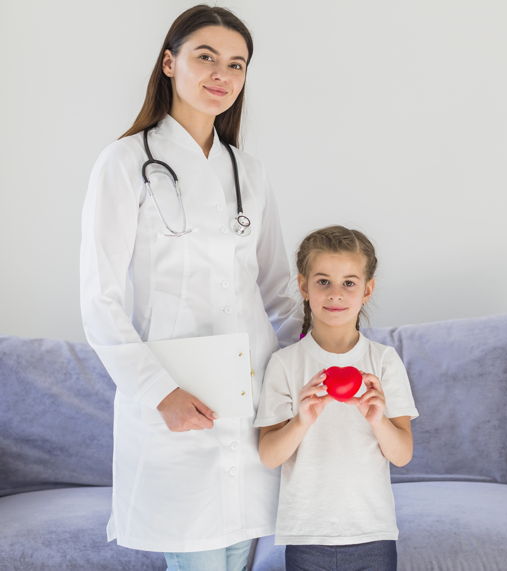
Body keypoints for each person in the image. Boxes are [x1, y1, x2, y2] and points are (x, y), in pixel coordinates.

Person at [79, 5, 301, 569]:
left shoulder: (248, 172)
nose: (221, 74)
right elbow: (98, 297)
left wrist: (306, 370)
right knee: (196, 554)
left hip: (250, 401)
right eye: (205, 57)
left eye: (236, 64)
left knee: (237, 548)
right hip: (175, 400)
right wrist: (159, 393)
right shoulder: (126, 162)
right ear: (169, 63)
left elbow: (278, 293)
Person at [255, 225, 418, 571]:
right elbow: (270, 455)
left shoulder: (384, 361)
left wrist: (378, 419)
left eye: (349, 282)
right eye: (323, 281)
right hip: (306, 534)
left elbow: (402, 454)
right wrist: (302, 420)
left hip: (371, 532)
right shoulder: (286, 363)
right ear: (303, 286)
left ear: (367, 289)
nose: (336, 294)